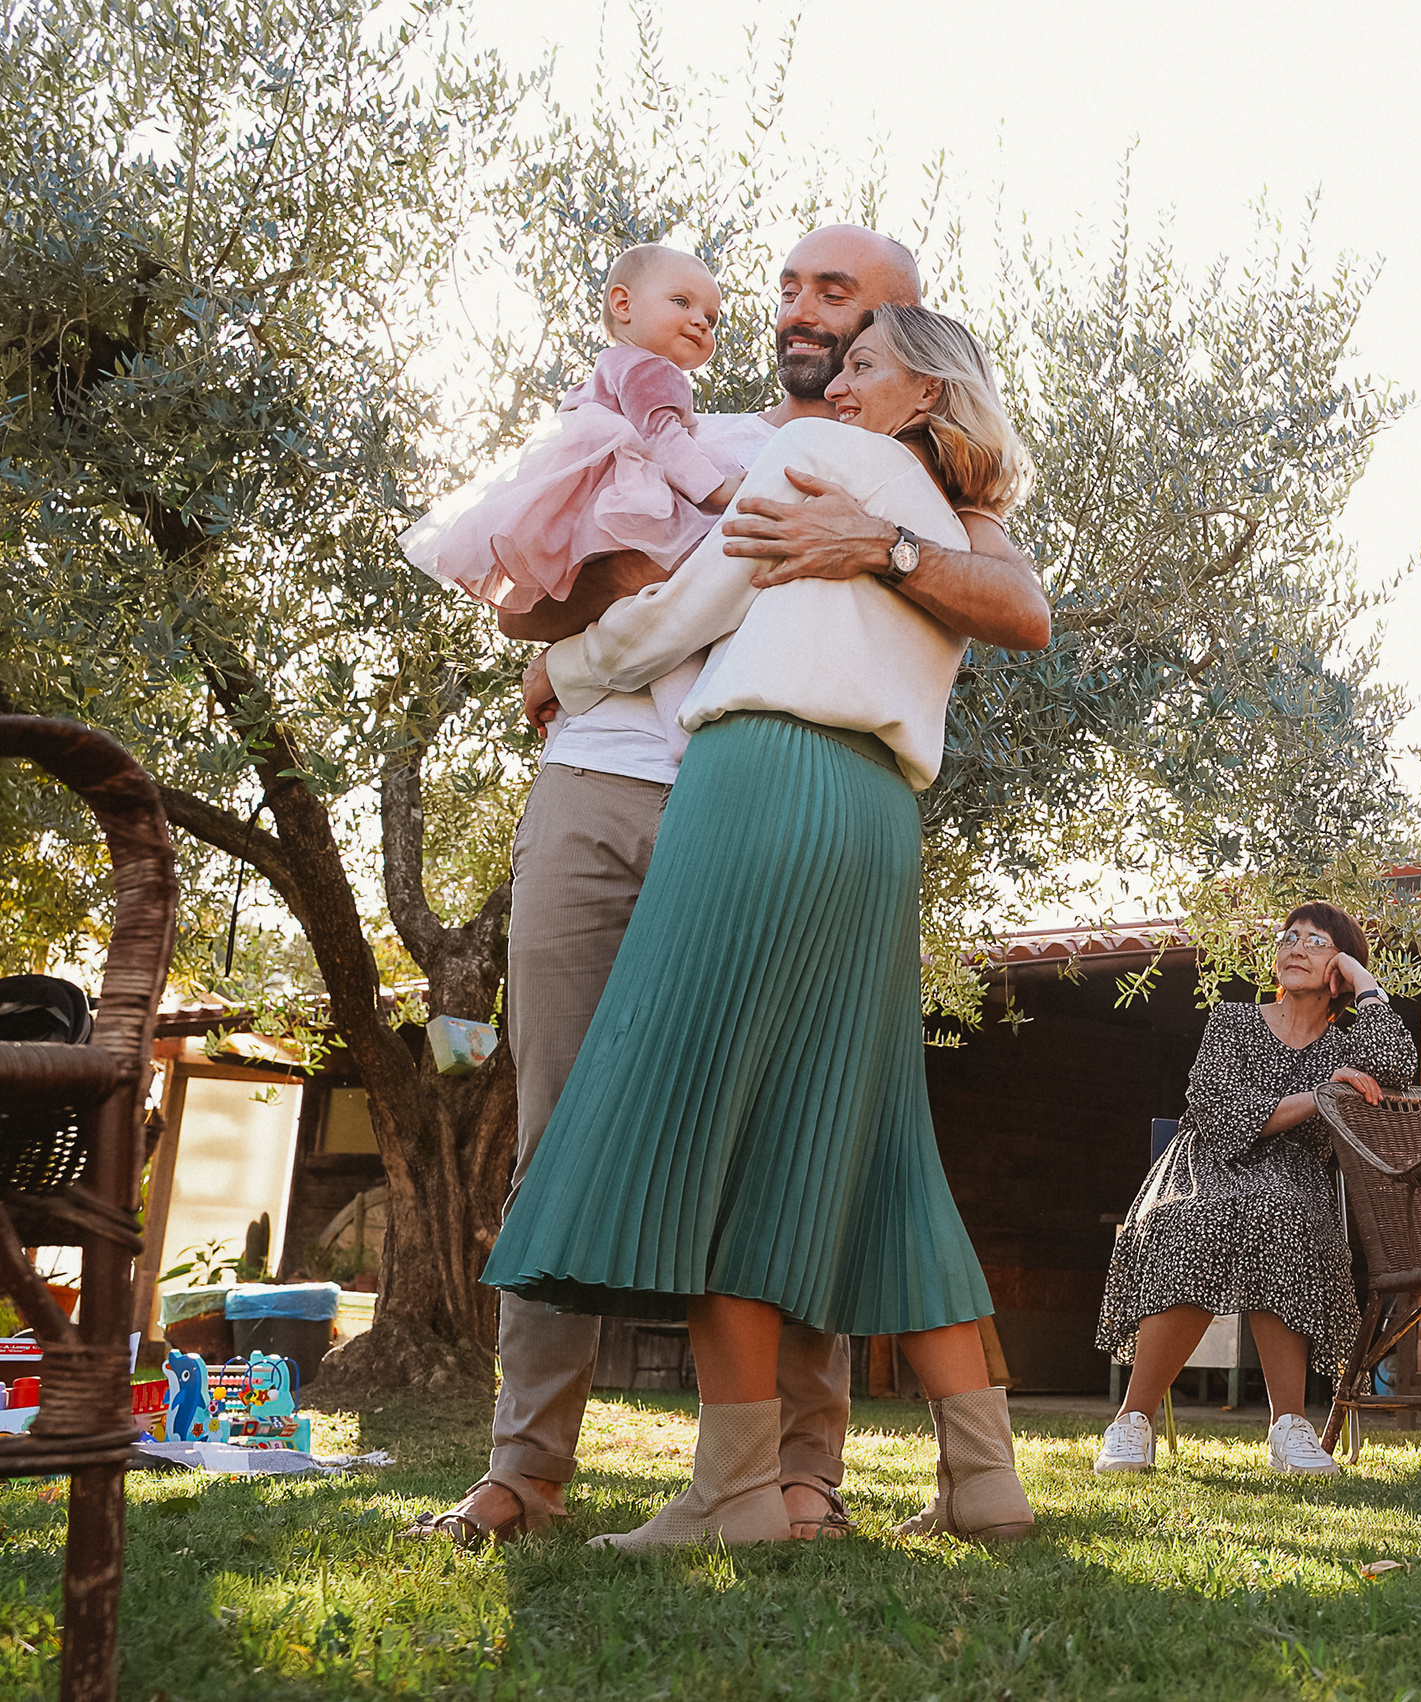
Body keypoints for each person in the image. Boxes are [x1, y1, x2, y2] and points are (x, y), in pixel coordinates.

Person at [405, 223, 964, 1551]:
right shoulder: (675, 419)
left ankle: (795, 1475)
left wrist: (591, 650)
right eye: (787, 284)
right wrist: (576, 617)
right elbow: (533, 589)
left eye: (834, 291)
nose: (795, 307)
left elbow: (976, 597)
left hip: (766, 800)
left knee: (801, 1127)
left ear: (899, 322)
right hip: (598, 789)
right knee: (556, 1121)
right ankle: (526, 1469)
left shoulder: (903, 463)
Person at [1092, 903, 1418, 1478]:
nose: (1295, 947)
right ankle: (1131, 1421)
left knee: (1280, 1211)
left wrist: (1367, 986)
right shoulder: (1233, 1020)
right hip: (1206, 1167)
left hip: (1298, 1180)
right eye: (1288, 937)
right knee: (1196, 1218)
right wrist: (1320, 1097)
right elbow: (1218, 1113)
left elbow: (1394, 1070)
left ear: (1339, 965)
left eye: (1316, 943)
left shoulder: (1347, 1046)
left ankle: (1289, 1428)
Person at [403, 244, 749, 611]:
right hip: (628, 492)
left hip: (589, 503)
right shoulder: (653, 370)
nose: (699, 321)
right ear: (623, 304)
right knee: (704, 549)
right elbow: (661, 436)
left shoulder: (612, 365)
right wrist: (714, 488)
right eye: (681, 302)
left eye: (711, 319)